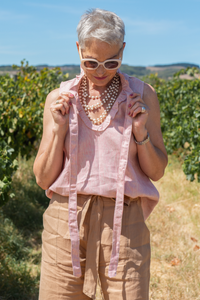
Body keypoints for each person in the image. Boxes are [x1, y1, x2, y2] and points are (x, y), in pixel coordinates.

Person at [33, 8, 168, 300]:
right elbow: (43, 178)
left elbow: (156, 171)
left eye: (111, 61)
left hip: (125, 227)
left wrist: (140, 131)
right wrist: (57, 130)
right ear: (78, 48)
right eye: (90, 61)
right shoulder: (59, 99)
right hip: (64, 224)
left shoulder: (143, 96)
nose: (101, 71)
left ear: (123, 49)